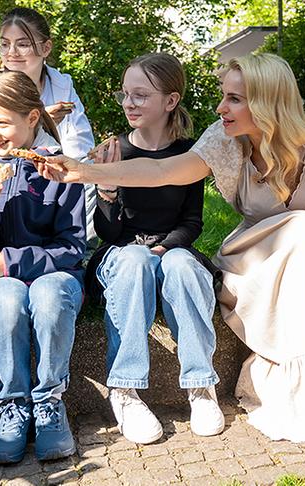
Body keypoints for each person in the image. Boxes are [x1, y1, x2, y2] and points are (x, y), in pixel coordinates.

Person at [37, 52, 305, 456]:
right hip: (256, 258)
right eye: (225, 97)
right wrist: (85, 172)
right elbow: (162, 173)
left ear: (267, 101)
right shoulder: (224, 139)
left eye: (235, 99)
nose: (221, 107)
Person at [85, 53, 223, 444]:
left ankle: (200, 386)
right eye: (125, 94)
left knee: (180, 266)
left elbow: (192, 223)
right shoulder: (116, 151)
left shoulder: (190, 153)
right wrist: (107, 189)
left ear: (171, 100)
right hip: (123, 253)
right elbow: (108, 233)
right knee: (133, 259)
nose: (129, 103)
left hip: (171, 251)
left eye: (141, 95)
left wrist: (165, 249)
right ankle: (125, 390)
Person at [0, 70, 86, 463]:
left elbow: (73, 246)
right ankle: (14, 405)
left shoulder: (61, 170)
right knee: (9, 297)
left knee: (46, 294)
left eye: (2, 123)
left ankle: (49, 403)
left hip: (56, 276)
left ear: (32, 118)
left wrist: (10, 262)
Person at [0, 7, 97, 247]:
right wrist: (38, 125)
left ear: (45, 48)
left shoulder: (61, 85)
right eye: (4, 44)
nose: (11, 53)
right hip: (6, 179)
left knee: (86, 174)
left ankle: (80, 247)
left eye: (23, 44)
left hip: (54, 178)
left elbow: (81, 148)